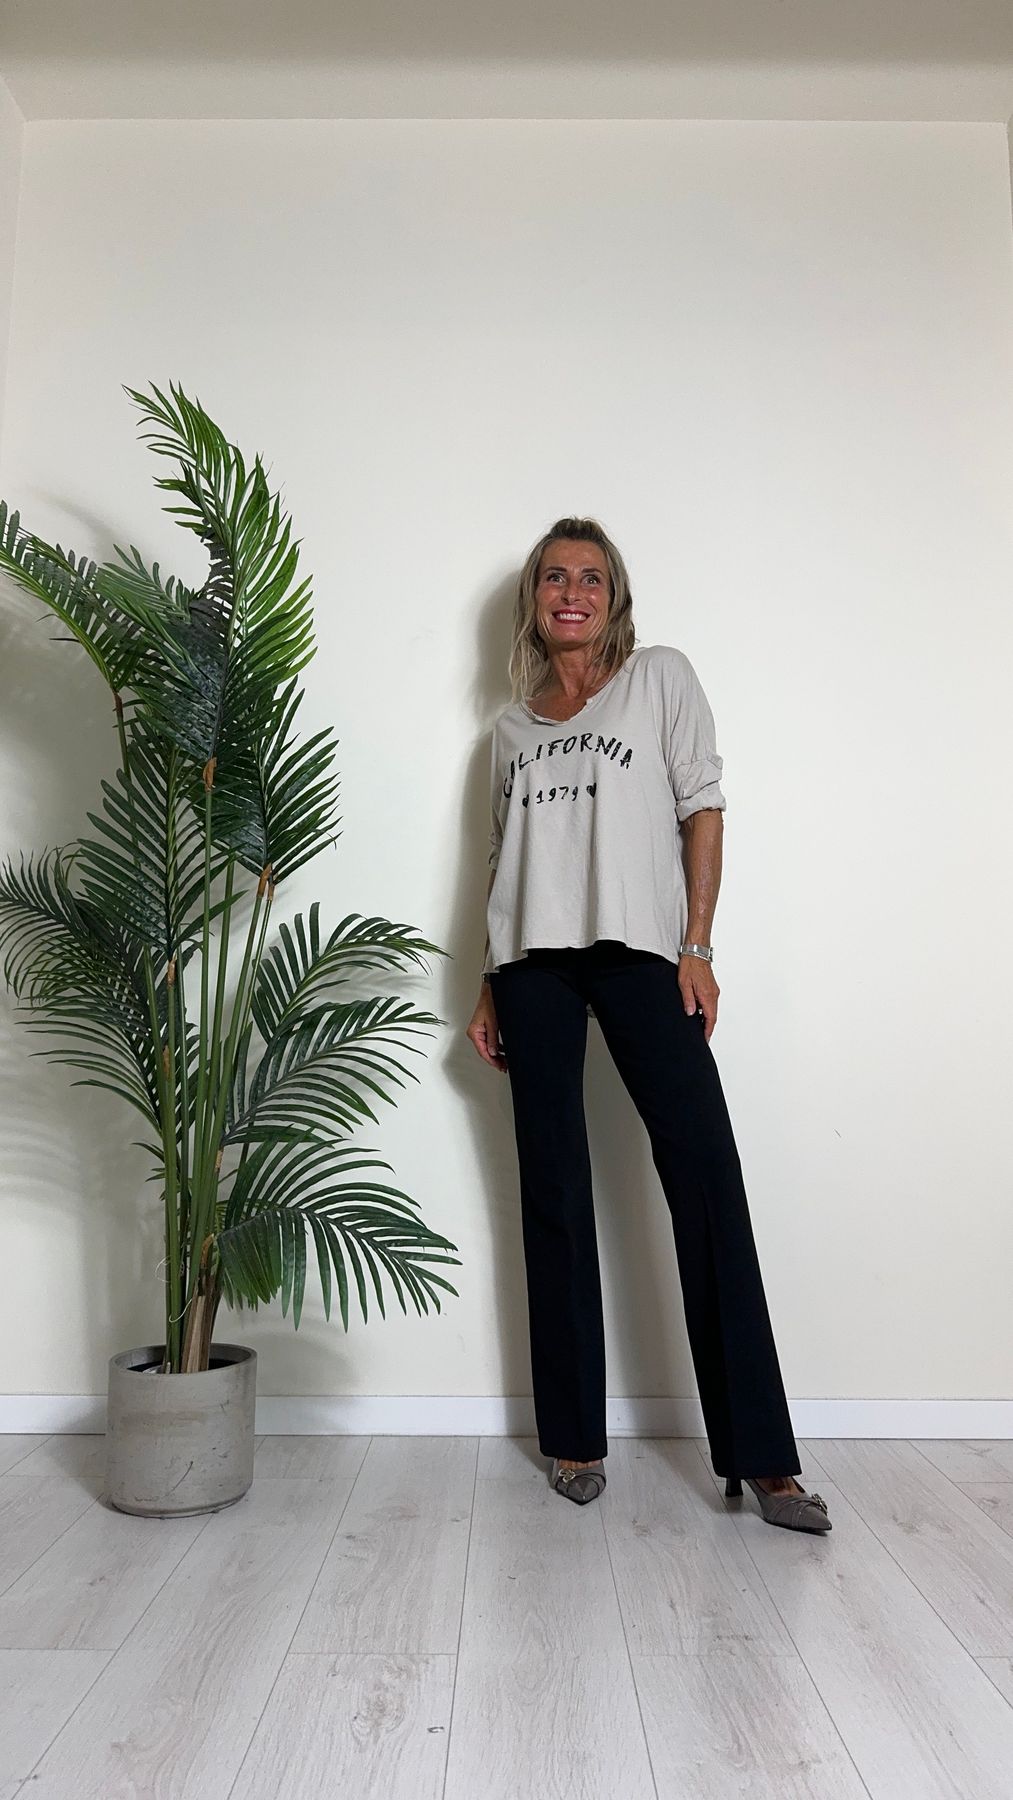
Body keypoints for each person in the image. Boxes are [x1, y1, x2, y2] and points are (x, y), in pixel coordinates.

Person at [465, 517, 831, 1534]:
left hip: (640, 954)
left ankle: (763, 1460)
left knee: (705, 1175)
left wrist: (696, 945)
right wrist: (488, 982)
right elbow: (500, 863)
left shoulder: (659, 677)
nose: (570, 592)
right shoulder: (508, 732)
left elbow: (700, 807)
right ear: (534, 598)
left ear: (612, 597)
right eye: (554, 577)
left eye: (590, 578)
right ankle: (574, 1440)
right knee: (553, 1191)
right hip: (530, 967)